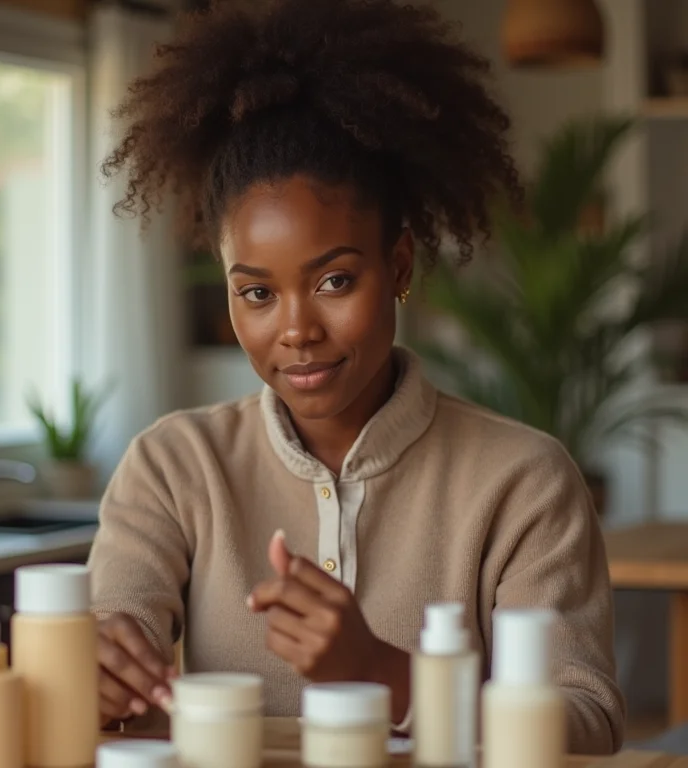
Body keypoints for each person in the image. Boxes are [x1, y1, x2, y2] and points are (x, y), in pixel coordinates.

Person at [88, 0, 625, 754]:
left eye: (335, 281)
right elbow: (113, 633)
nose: (297, 329)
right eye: (257, 293)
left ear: (398, 266)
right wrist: (97, 666)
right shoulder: (173, 468)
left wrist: (385, 673)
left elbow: (589, 724)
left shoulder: (523, 481)